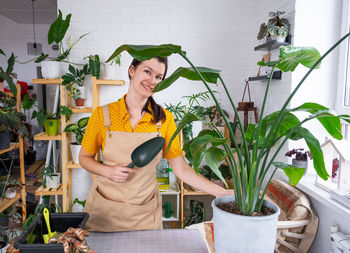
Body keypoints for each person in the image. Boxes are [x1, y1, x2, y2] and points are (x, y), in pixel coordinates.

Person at [79, 56, 233, 232]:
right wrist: (108, 171)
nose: (152, 81)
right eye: (147, 71)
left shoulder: (165, 120)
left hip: (143, 214)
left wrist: (221, 193)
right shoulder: (102, 115)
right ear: (131, 71)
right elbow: (84, 157)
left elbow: (181, 168)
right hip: (104, 212)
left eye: (159, 77)